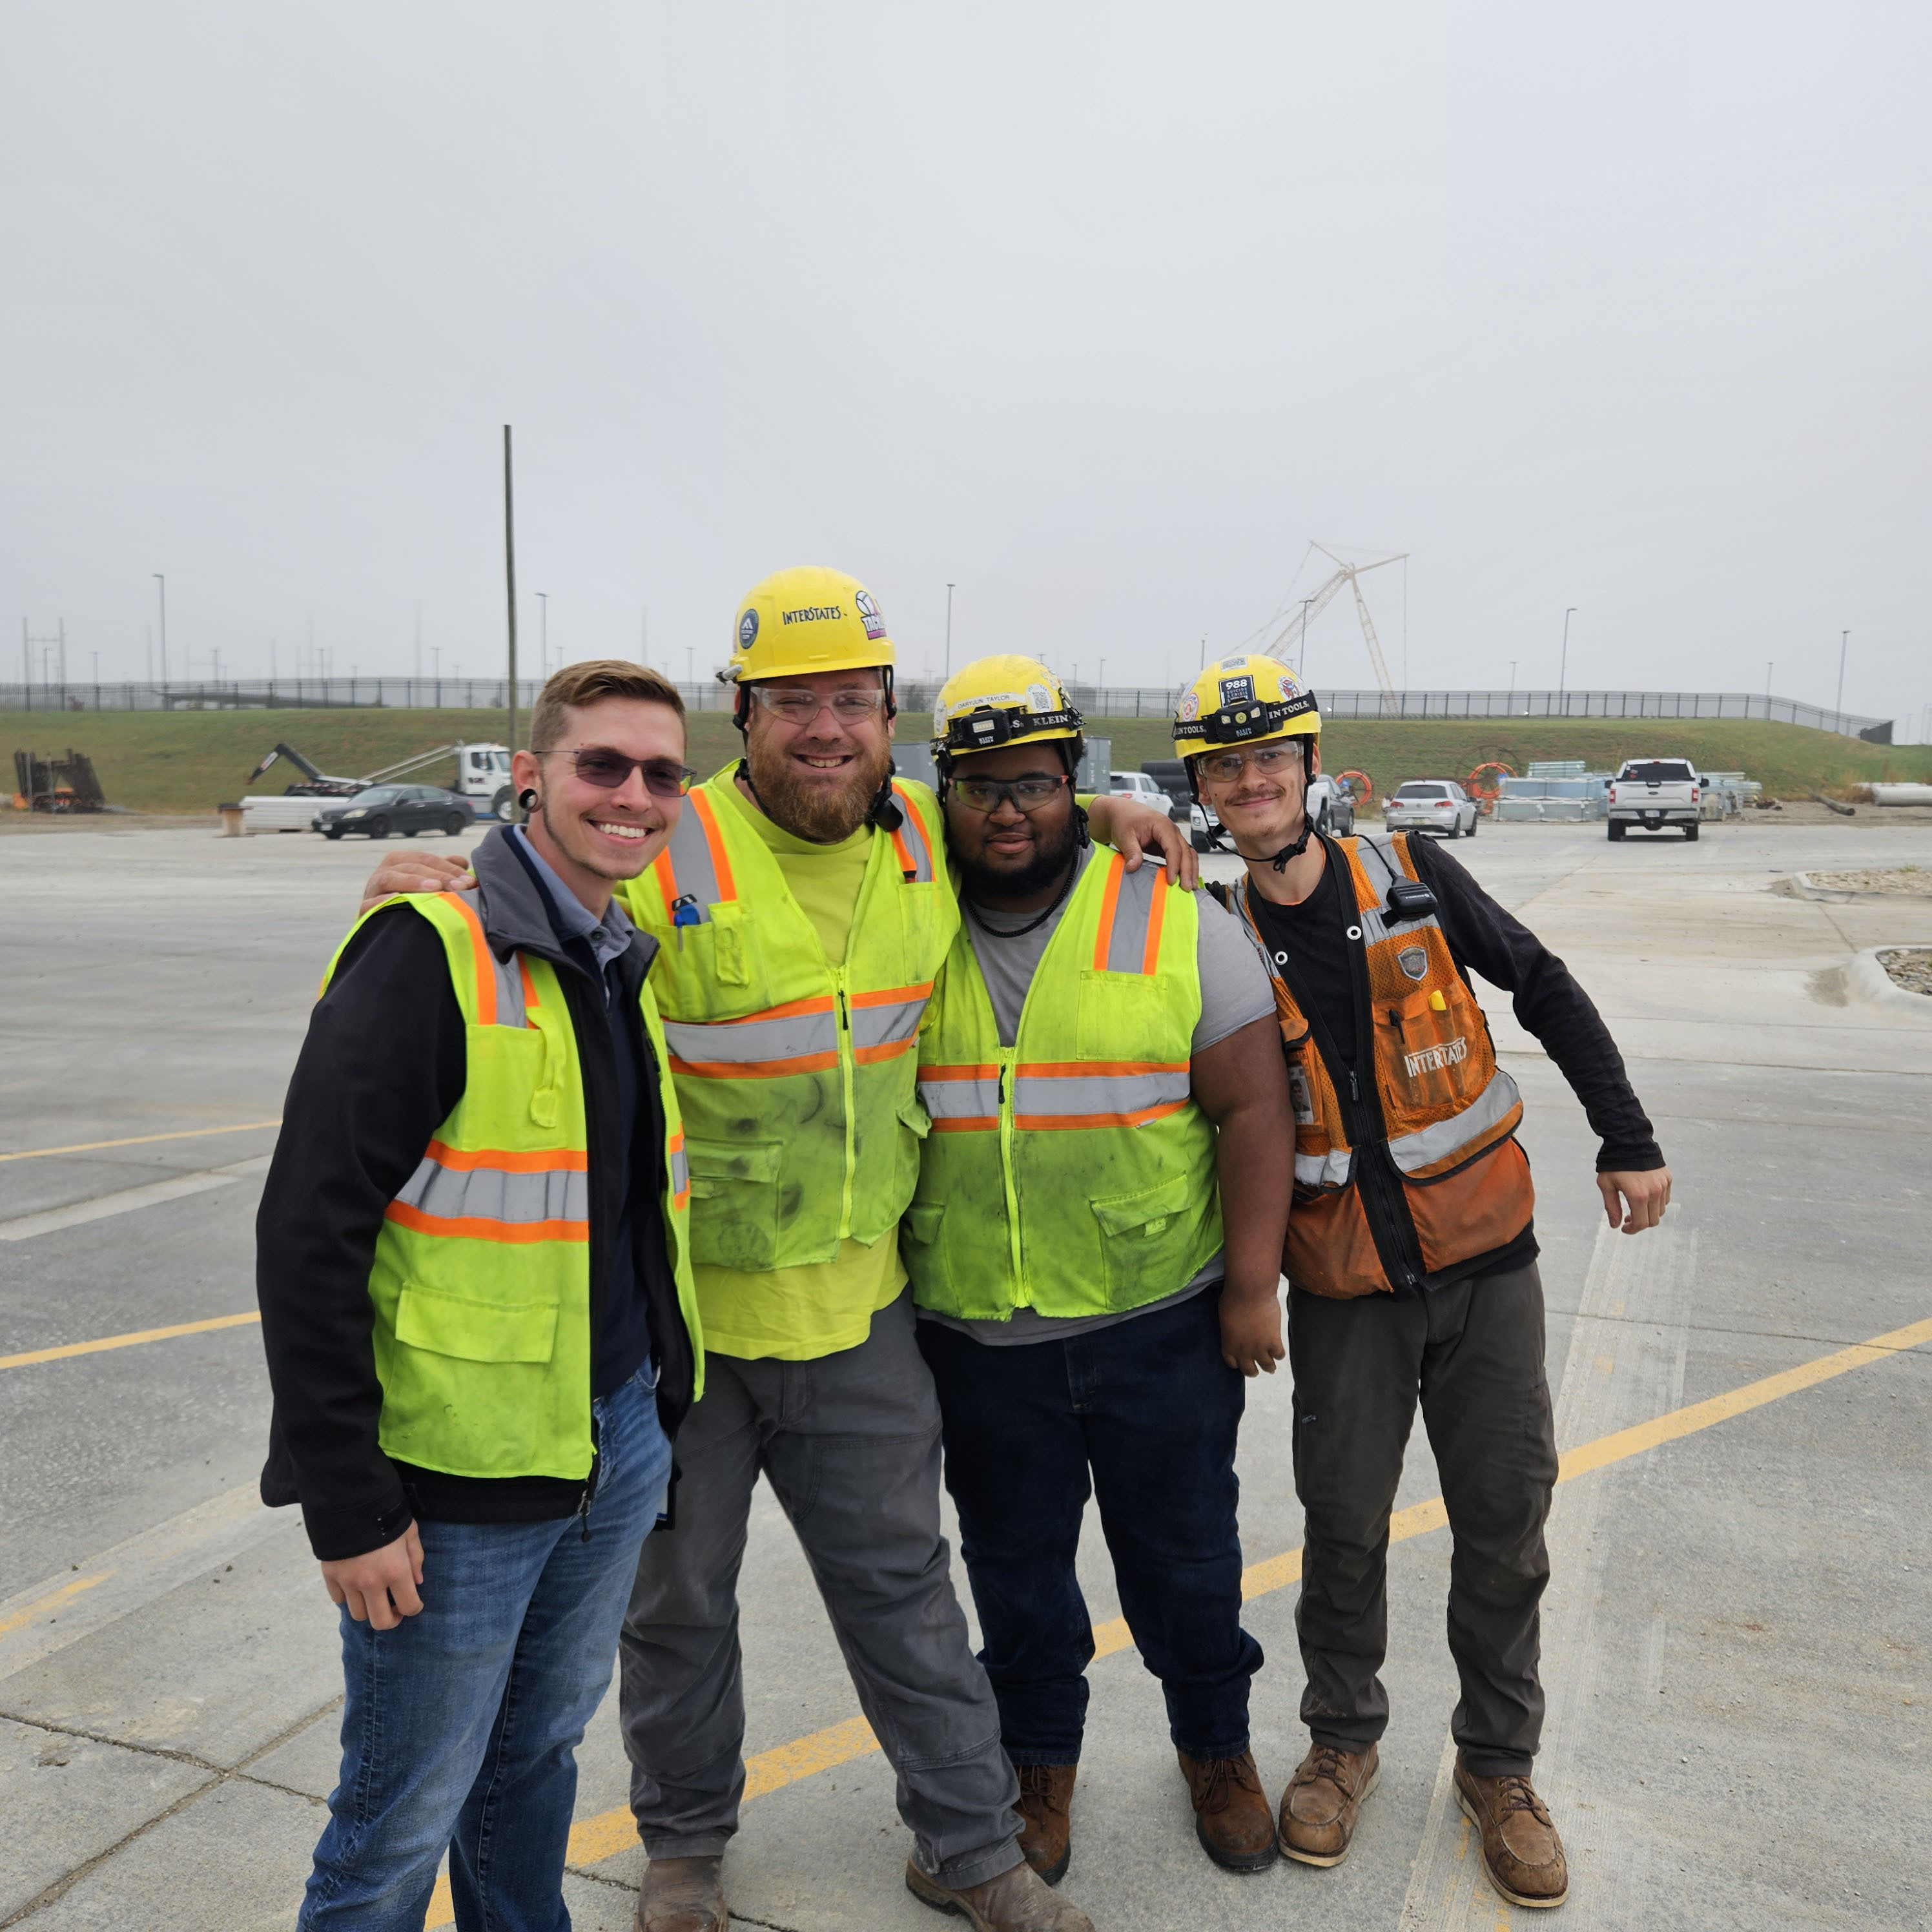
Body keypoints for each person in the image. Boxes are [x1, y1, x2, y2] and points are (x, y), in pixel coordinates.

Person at [358, 569, 1189, 1932]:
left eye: (852, 700)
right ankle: (683, 1847)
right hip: (684, 1329)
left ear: (888, 716)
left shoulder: (924, 834)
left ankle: (973, 1849)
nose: (825, 728)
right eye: (791, 702)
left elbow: (1021, 813)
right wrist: (427, 871)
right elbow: (518, 892)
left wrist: (1110, 807)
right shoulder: (664, 842)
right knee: (675, 1608)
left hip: (862, 1314)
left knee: (906, 1598)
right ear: (739, 714)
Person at [1173, 654, 1672, 1911]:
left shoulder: (1408, 873)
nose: (1250, 780)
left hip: (1483, 1263)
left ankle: (1498, 1770)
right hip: (1343, 1290)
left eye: (1268, 755)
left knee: (1503, 1524)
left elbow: (1540, 981)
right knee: (1340, 1528)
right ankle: (1341, 1740)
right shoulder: (1211, 937)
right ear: (1203, 792)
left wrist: (1625, 1132)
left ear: (1307, 765)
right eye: (1223, 766)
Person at [257, 660, 706, 1932]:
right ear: (531, 777)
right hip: (451, 1484)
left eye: (659, 771)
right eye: (600, 765)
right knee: (397, 1818)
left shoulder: (621, 947)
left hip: (604, 1441)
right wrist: (346, 1499)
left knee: (533, 1763)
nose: (632, 793)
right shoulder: (430, 951)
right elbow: (307, 1233)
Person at [905, 659, 1294, 1882]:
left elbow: (1254, 1115)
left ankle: (1217, 1752)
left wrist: (1248, 1288)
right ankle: (1039, 1773)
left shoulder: (1174, 915)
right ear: (941, 794)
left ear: (1075, 782)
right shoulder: (897, 919)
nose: (1006, 810)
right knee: (1016, 1580)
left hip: (1159, 1327)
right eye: (979, 786)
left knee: (1186, 1563)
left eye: (1032, 782)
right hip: (979, 1337)